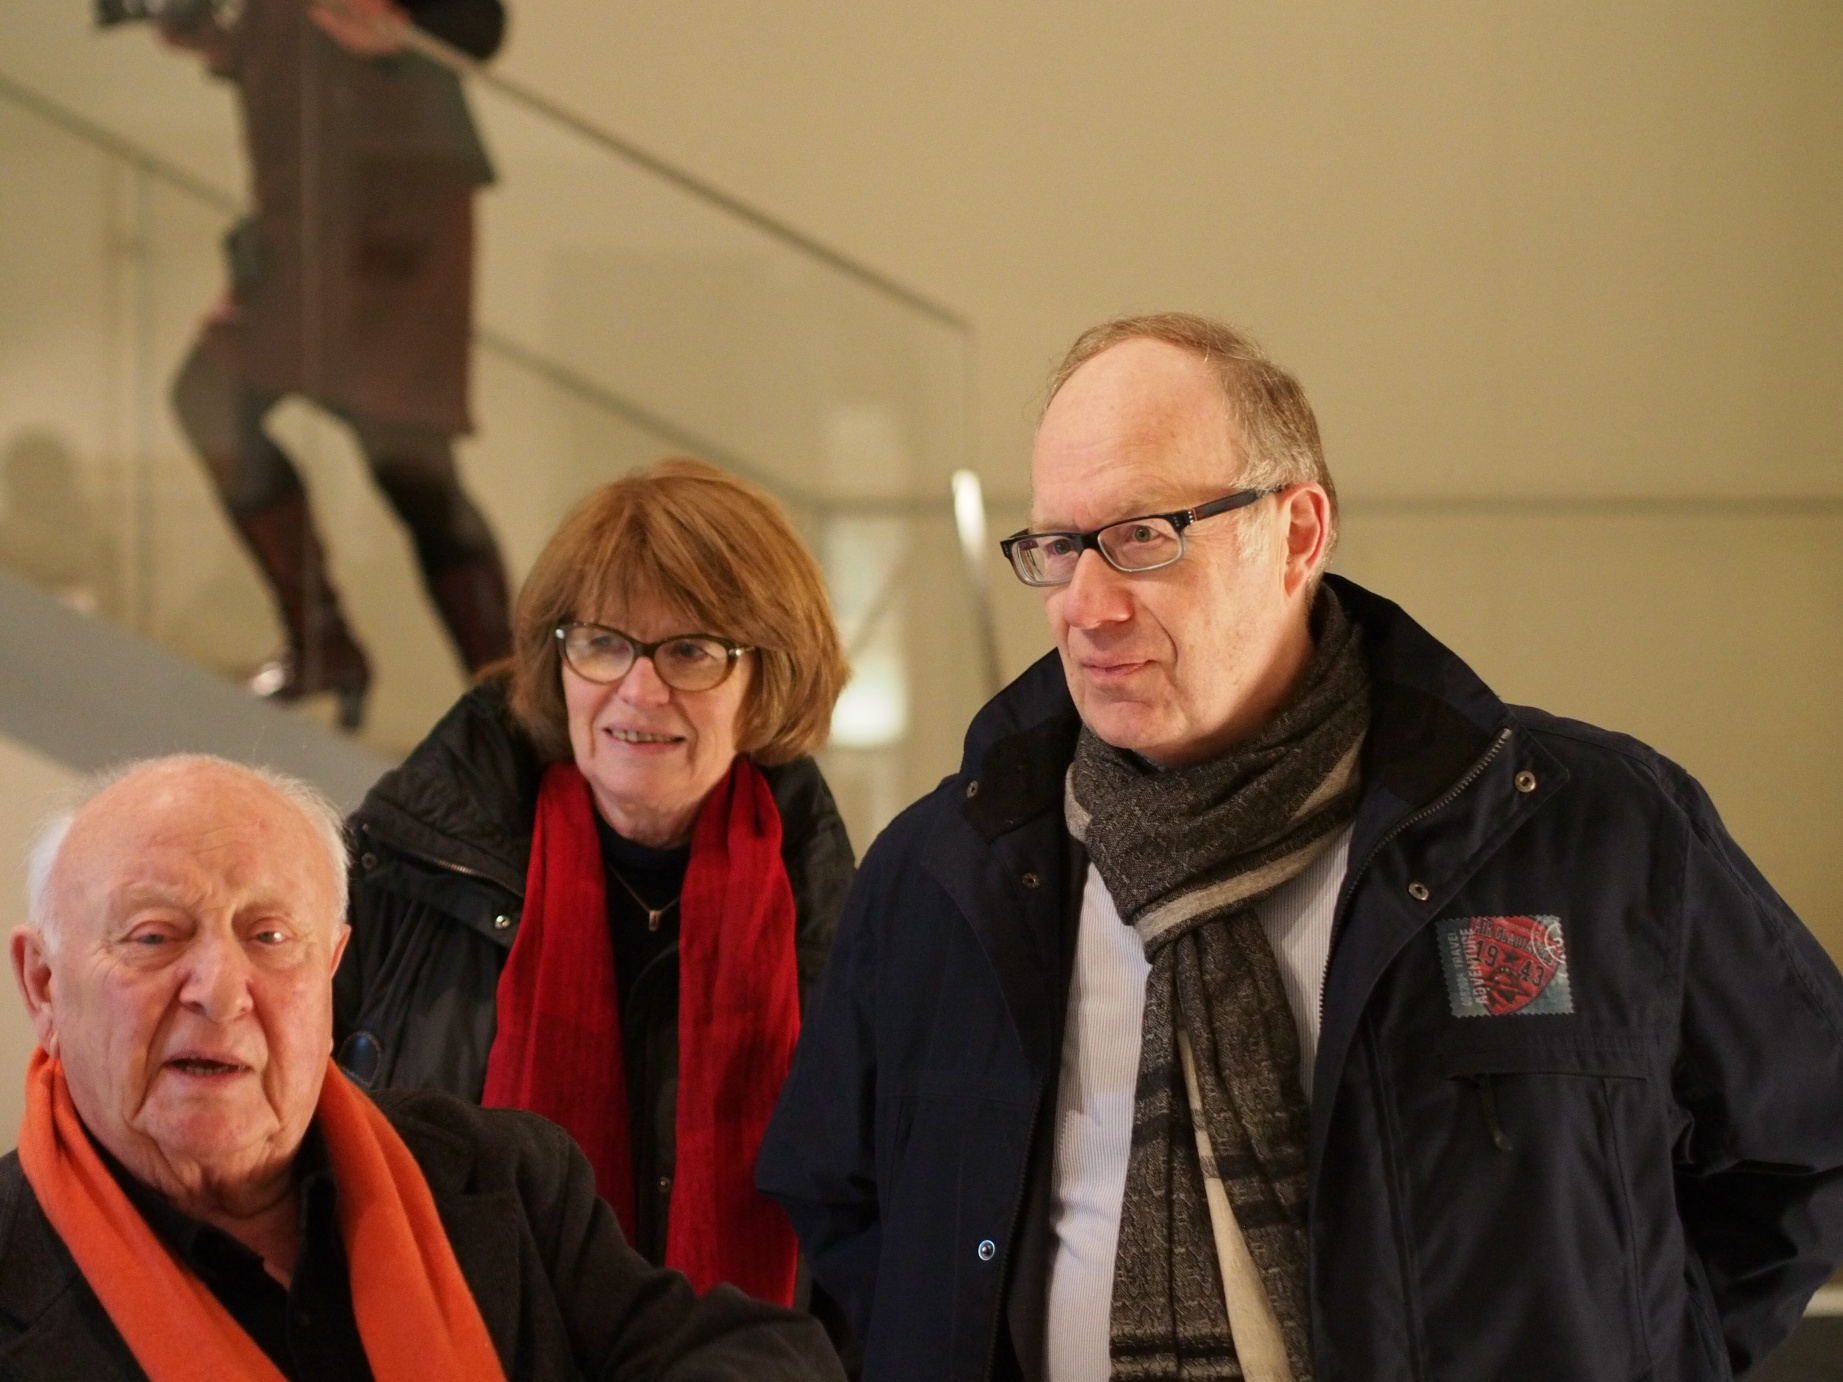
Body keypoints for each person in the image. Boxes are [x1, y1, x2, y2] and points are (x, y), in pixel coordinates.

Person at [756, 313, 1843, 1382]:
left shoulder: (1581, 826)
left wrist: (1655, 1352)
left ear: (1297, 533)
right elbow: (846, 1202)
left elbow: (1804, 1143)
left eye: (1143, 536)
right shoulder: (946, 869)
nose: (1085, 605)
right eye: (1056, 546)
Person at [3, 754, 844, 1380]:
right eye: (154, 936)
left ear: (332, 970)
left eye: (270, 937)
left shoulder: (504, 1175)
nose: (221, 992)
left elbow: (759, 1352)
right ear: (43, 983)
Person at [336, 458, 855, 1317]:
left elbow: (887, 1258)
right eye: (603, 644)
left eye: (691, 651)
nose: (639, 691)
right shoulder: (393, 880)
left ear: (767, 677)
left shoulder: (854, 927)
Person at [157, 0, 514, 727]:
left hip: (387, 193)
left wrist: (392, 20)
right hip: (308, 183)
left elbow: (477, 22)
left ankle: (515, 711)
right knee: (216, 398)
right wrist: (223, 45)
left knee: (407, 460)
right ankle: (327, 644)